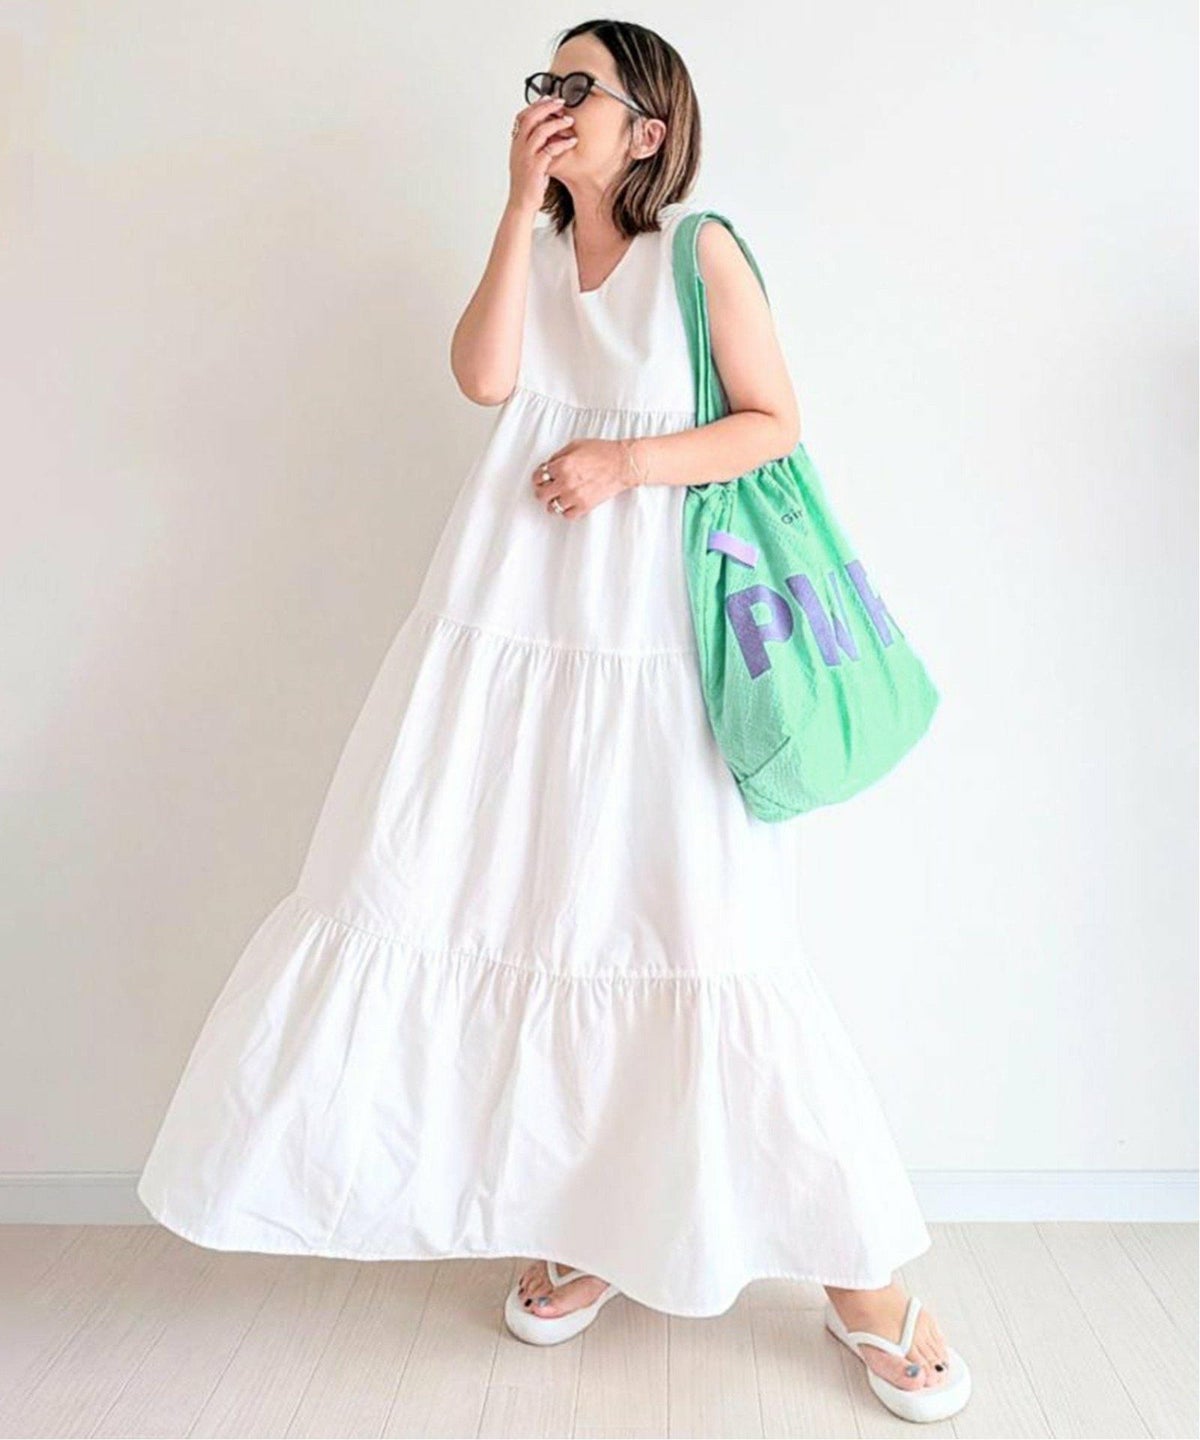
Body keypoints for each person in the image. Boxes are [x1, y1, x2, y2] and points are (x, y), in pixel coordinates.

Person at [136, 17, 969, 1427]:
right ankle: (593, 1226)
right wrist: (515, 205)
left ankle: (867, 1286)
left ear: (650, 128)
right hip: (511, 638)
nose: (556, 100)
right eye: (548, 81)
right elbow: (483, 378)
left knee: (698, 935)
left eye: (585, 86)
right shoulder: (531, 248)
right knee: (536, 916)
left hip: (656, 649)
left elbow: (773, 421)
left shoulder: (699, 252)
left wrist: (625, 466)